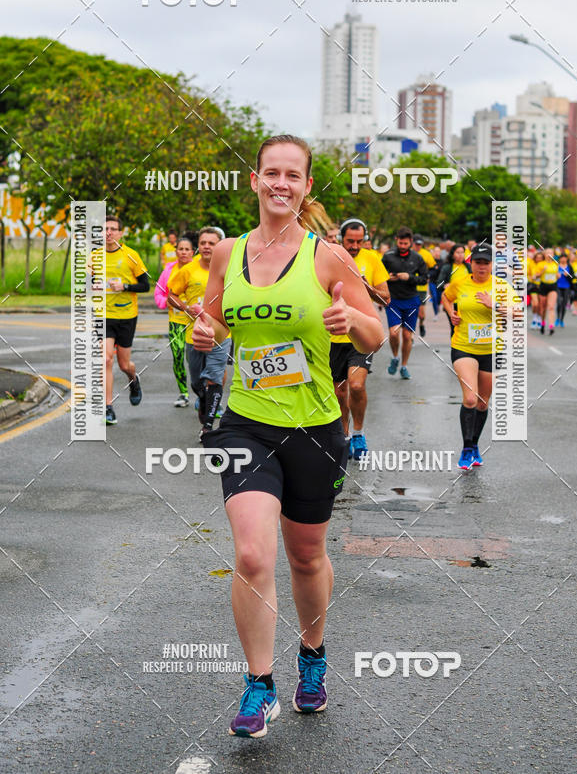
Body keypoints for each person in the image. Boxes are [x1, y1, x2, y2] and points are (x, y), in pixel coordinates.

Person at [192, 134, 384, 738]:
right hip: (246, 423)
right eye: (270, 172)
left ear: (305, 187)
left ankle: (313, 654)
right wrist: (205, 333)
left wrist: (351, 320)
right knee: (252, 554)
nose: (280, 183)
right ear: (255, 180)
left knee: (305, 555)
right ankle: (259, 685)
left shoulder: (327, 257)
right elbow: (215, 318)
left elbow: (376, 334)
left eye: (292, 175)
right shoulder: (228, 252)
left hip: (315, 428)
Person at [441, 242, 515, 470]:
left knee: (482, 402)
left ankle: (474, 444)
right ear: (471, 263)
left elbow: (517, 312)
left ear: (492, 265)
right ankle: (466, 449)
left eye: (486, 263)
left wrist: (495, 305)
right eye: (477, 262)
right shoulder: (460, 283)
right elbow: (446, 296)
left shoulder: (501, 286)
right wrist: (451, 313)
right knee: (471, 399)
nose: (481, 267)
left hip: (492, 350)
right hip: (463, 346)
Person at [329, 218, 389, 458]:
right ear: (340, 239)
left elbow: (386, 299)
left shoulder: (372, 259)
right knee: (339, 393)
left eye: (358, 241)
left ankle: (358, 433)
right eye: (349, 241)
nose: (354, 246)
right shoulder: (328, 258)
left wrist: (368, 289)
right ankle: (343, 436)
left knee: (356, 385)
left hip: (361, 335)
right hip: (332, 337)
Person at [169, 227, 231, 437]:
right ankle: (203, 399)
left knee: (214, 377)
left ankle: (208, 427)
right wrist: (186, 308)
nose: (206, 246)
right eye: (203, 243)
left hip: (222, 335)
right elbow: (171, 295)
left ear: (219, 246)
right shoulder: (188, 270)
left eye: (211, 243)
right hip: (193, 335)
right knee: (197, 381)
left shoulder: (229, 269)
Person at [94, 215, 149, 425]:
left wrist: (124, 287)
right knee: (106, 359)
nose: (108, 232)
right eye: (105, 229)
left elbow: (145, 285)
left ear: (120, 233)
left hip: (126, 316)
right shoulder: (94, 256)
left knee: (124, 364)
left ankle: (133, 379)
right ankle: (108, 407)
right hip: (103, 315)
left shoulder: (131, 255)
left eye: (113, 229)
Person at [382, 226, 428, 379]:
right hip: (393, 300)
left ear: (411, 242)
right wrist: (387, 278)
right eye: (400, 243)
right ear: (396, 240)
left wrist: (409, 277)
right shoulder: (388, 256)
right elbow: (378, 276)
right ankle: (395, 357)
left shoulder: (417, 258)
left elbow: (424, 278)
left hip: (411, 300)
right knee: (394, 333)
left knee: (407, 336)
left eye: (405, 243)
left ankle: (404, 366)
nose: (402, 246)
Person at [154, 236, 195, 406]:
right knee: (178, 356)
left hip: (196, 322)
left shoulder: (198, 268)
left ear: (193, 252)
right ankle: (183, 393)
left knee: (195, 359)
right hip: (176, 321)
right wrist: (166, 302)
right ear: (176, 251)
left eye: (187, 249)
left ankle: (203, 393)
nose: (183, 252)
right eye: (180, 249)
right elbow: (159, 293)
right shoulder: (169, 270)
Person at [436, 243, 471, 335]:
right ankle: (454, 344)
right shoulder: (447, 267)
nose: (460, 255)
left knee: (467, 328)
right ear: (452, 254)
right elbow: (439, 284)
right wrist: (445, 285)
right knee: (455, 328)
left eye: (462, 252)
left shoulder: (468, 267)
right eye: (458, 252)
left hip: (466, 303)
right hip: (452, 303)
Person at [413, 235, 435, 337]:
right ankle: (410, 335)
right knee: (411, 313)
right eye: (416, 244)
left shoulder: (426, 254)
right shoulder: (408, 253)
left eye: (420, 244)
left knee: (421, 314)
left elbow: (434, 268)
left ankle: (421, 324)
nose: (418, 246)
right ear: (412, 243)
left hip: (422, 288)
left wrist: (428, 276)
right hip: (409, 287)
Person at [536, 248, 558, 335]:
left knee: (551, 307)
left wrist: (558, 276)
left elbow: (556, 275)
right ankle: (542, 322)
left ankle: (551, 326)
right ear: (544, 254)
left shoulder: (555, 264)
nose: (549, 254)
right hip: (543, 286)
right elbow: (536, 276)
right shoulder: (541, 264)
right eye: (547, 253)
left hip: (553, 286)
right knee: (543, 308)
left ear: (553, 255)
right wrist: (542, 271)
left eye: (551, 253)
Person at [555, 253, 573, 328]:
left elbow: (573, 277)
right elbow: (552, 276)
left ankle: (562, 320)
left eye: (564, 257)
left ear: (566, 259)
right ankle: (557, 318)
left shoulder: (569, 267)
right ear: (559, 259)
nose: (563, 259)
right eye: (561, 257)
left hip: (567, 287)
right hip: (558, 286)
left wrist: (568, 275)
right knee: (559, 303)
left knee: (564, 304)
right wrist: (556, 276)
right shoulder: (556, 266)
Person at [428, 245, 443, 316]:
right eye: (435, 251)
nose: (437, 253)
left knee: (439, 297)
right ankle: (435, 313)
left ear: (440, 252)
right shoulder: (431, 261)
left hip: (440, 283)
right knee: (434, 297)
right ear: (433, 252)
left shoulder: (443, 262)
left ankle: (438, 305)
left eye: (438, 251)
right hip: (432, 282)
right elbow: (427, 271)